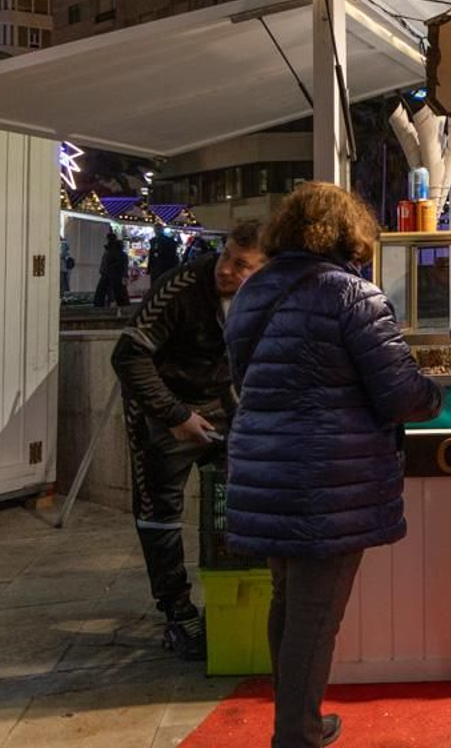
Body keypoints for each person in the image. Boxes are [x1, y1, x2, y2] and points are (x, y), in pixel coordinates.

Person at [225, 183, 444, 748]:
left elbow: (244, 378)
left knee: (289, 600)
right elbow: (400, 394)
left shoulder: (252, 291)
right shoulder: (350, 294)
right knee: (316, 615)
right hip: (327, 477)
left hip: (265, 465)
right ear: (349, 232)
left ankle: (300, 719)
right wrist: (435, 394)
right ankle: (295, 734)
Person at [111, 221, 266, 659]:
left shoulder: (266, 293)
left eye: (241, 265)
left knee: (238, 497)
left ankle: (235, 592)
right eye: (225, 256)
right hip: (161, 407)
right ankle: (178, 612)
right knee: (159, 511)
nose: (226, 270)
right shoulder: (179, 287)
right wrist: (175, 416)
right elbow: (127, 356)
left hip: (220, 401)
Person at [94, 230, 130, 307]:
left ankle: (100, 305)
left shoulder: (110, 251)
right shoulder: (118, 252)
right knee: (119, 292)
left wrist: (103, 270)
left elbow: (107, 262)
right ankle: (122, 304)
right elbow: (123, 264)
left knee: (103, 291)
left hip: (110, 274)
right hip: (114, 274)